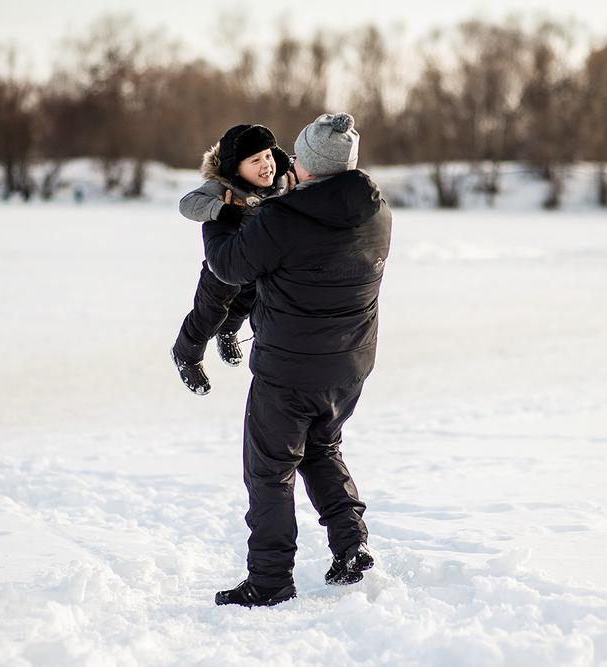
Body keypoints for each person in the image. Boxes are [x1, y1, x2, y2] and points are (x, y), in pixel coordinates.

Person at [200, 112, 392, 607]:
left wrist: (219, 217)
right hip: (349, 364)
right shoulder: (376, 210)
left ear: (308, 162)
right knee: (322, 450)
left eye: (299, 154)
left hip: (288, 370)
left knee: (269, 473)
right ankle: (351, 547)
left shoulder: (285, 218)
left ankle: (269, 582)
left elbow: (229, 264)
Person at [171, 124, 295, 396]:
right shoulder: (222, 186)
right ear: (236, 167)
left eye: (268, 156)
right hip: (222, 267)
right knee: (210, 313)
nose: (267, 165)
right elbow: (187, 204)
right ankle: (186, 353)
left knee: (245, 305)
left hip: (257, 265)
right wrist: (221, 210)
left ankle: (227, 333)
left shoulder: (284, 183)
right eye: (255, 160)